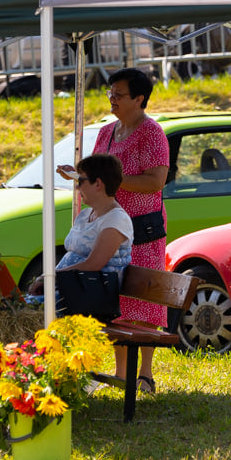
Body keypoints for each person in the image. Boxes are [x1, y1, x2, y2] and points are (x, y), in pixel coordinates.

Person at [57, 67, 169, 394]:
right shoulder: (107, 132)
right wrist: (77, 174)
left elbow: (155, 181)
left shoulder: (152, 134)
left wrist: (115, 183)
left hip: (142, 229)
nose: (112, 99)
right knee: (116, 301)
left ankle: (144, 375)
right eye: (110, 93)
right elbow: (98, 174)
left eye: (119, 94)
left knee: (143, 304)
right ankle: (122, 374)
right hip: (108, 225)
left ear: (139, 98)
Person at [29, 153, 133, 297]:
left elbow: (93, 264)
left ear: (98, 184)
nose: (77, 187)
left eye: (81, 181)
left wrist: (49, 278)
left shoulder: (116, 219)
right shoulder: (86, 215)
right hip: (71, 291)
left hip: (90, 297)